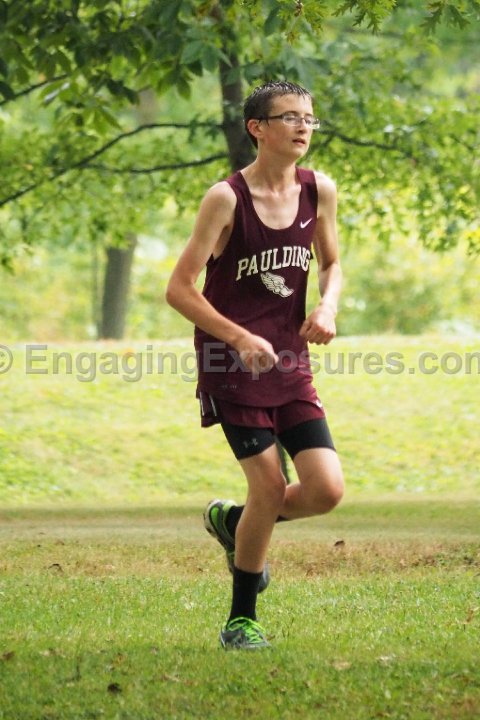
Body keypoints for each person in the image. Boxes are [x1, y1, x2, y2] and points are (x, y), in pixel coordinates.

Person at [166, 80, 344, 650]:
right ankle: (241, 621)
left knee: (325, 490)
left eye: (309, 118)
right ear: (257, 128)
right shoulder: (225, 199)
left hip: (289, 361)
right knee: (269, 486)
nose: (303, 127)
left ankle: (232, 522)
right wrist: (239, 336)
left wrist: (327, 306)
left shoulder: (319, 190)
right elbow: (179, 289)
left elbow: (332, 263)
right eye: (289, 117)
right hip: (230, 361)